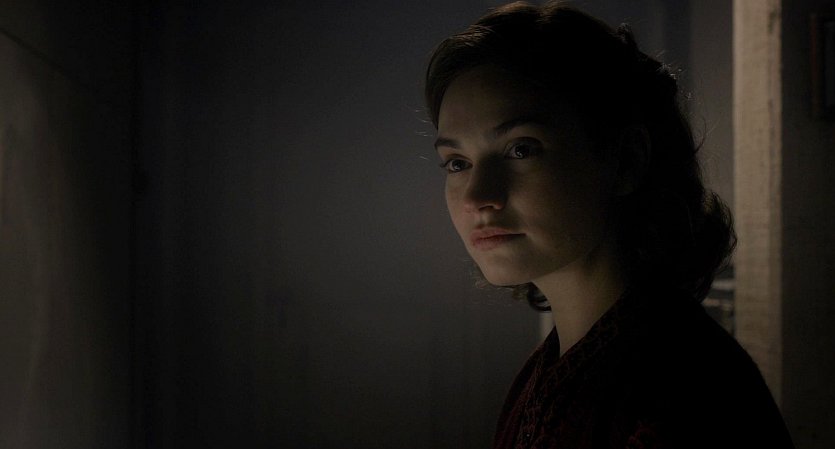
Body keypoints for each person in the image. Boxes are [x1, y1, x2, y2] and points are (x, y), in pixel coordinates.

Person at [424, 2, 794, 448]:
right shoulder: (551, 366)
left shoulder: (678, 394)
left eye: (521, 149)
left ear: (626, 161)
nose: (477, 197)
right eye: (457, 162)